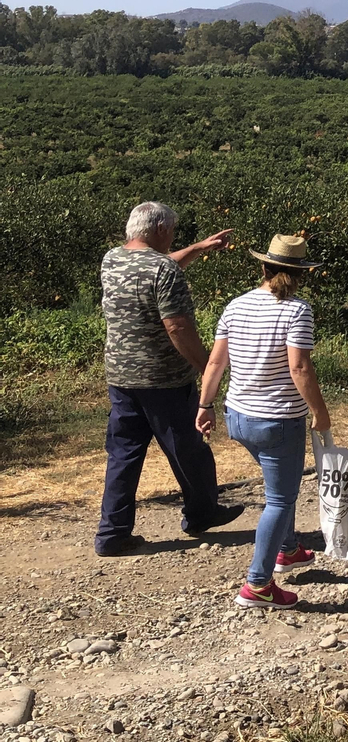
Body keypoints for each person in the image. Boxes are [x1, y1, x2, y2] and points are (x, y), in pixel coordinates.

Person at [96, 201, 241, 557]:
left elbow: (153, 269)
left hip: (121, 378)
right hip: (165, 381)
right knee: (189, 450)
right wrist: (208, 367)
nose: (173, 237)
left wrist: (196, 248)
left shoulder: (112, 259)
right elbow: (176, 325)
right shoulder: (163, 270)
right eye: (173, 231)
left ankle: (112, 534)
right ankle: (202, 513)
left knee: (123, 456)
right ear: (161, 230)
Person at [197, 234, 331, 609]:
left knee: (279, 487)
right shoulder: (297, 311)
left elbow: (214, 363)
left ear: (264, 267)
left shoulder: (235, 306)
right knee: (280, 499)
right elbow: (299, 366)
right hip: (277, 421)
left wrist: (204, 405)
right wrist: (320, 413)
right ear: (301, 273)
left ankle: (287, 549)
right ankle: (257, 584)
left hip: (237, 417)